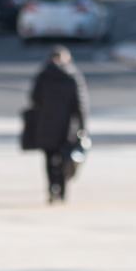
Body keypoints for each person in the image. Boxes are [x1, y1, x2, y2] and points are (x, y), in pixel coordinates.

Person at [29, 46, 88, 203]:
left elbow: (34, 99)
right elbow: (80, 105)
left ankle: (51, 188)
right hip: (67, 126)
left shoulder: (42, 76)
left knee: (49, 159)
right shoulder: (72, 77)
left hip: (45, 123)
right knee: (64, 158)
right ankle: (62, 190)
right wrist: (83, 127)